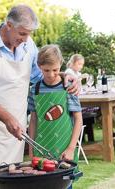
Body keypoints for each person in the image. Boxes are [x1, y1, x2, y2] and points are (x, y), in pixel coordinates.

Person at [0, 5, 78, 189]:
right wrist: (8, 119)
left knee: (17, 179)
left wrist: (66, 77)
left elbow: (40, 76)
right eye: (22, 34)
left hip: (17, 130)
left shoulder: (28, 46)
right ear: (8, 25)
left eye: (28, 34)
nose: (25, 39)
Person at [28, 45, 82, 189]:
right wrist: (31, 148)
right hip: (41, 147)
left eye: (55, 70)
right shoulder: (35, 89)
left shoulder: (68, 86)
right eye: (46, 70)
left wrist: (71, 148)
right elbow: (33, 119)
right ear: (39, 66)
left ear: (61, 66)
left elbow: (78, 119)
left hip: (64, 147)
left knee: (64, 184)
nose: (51, 74)